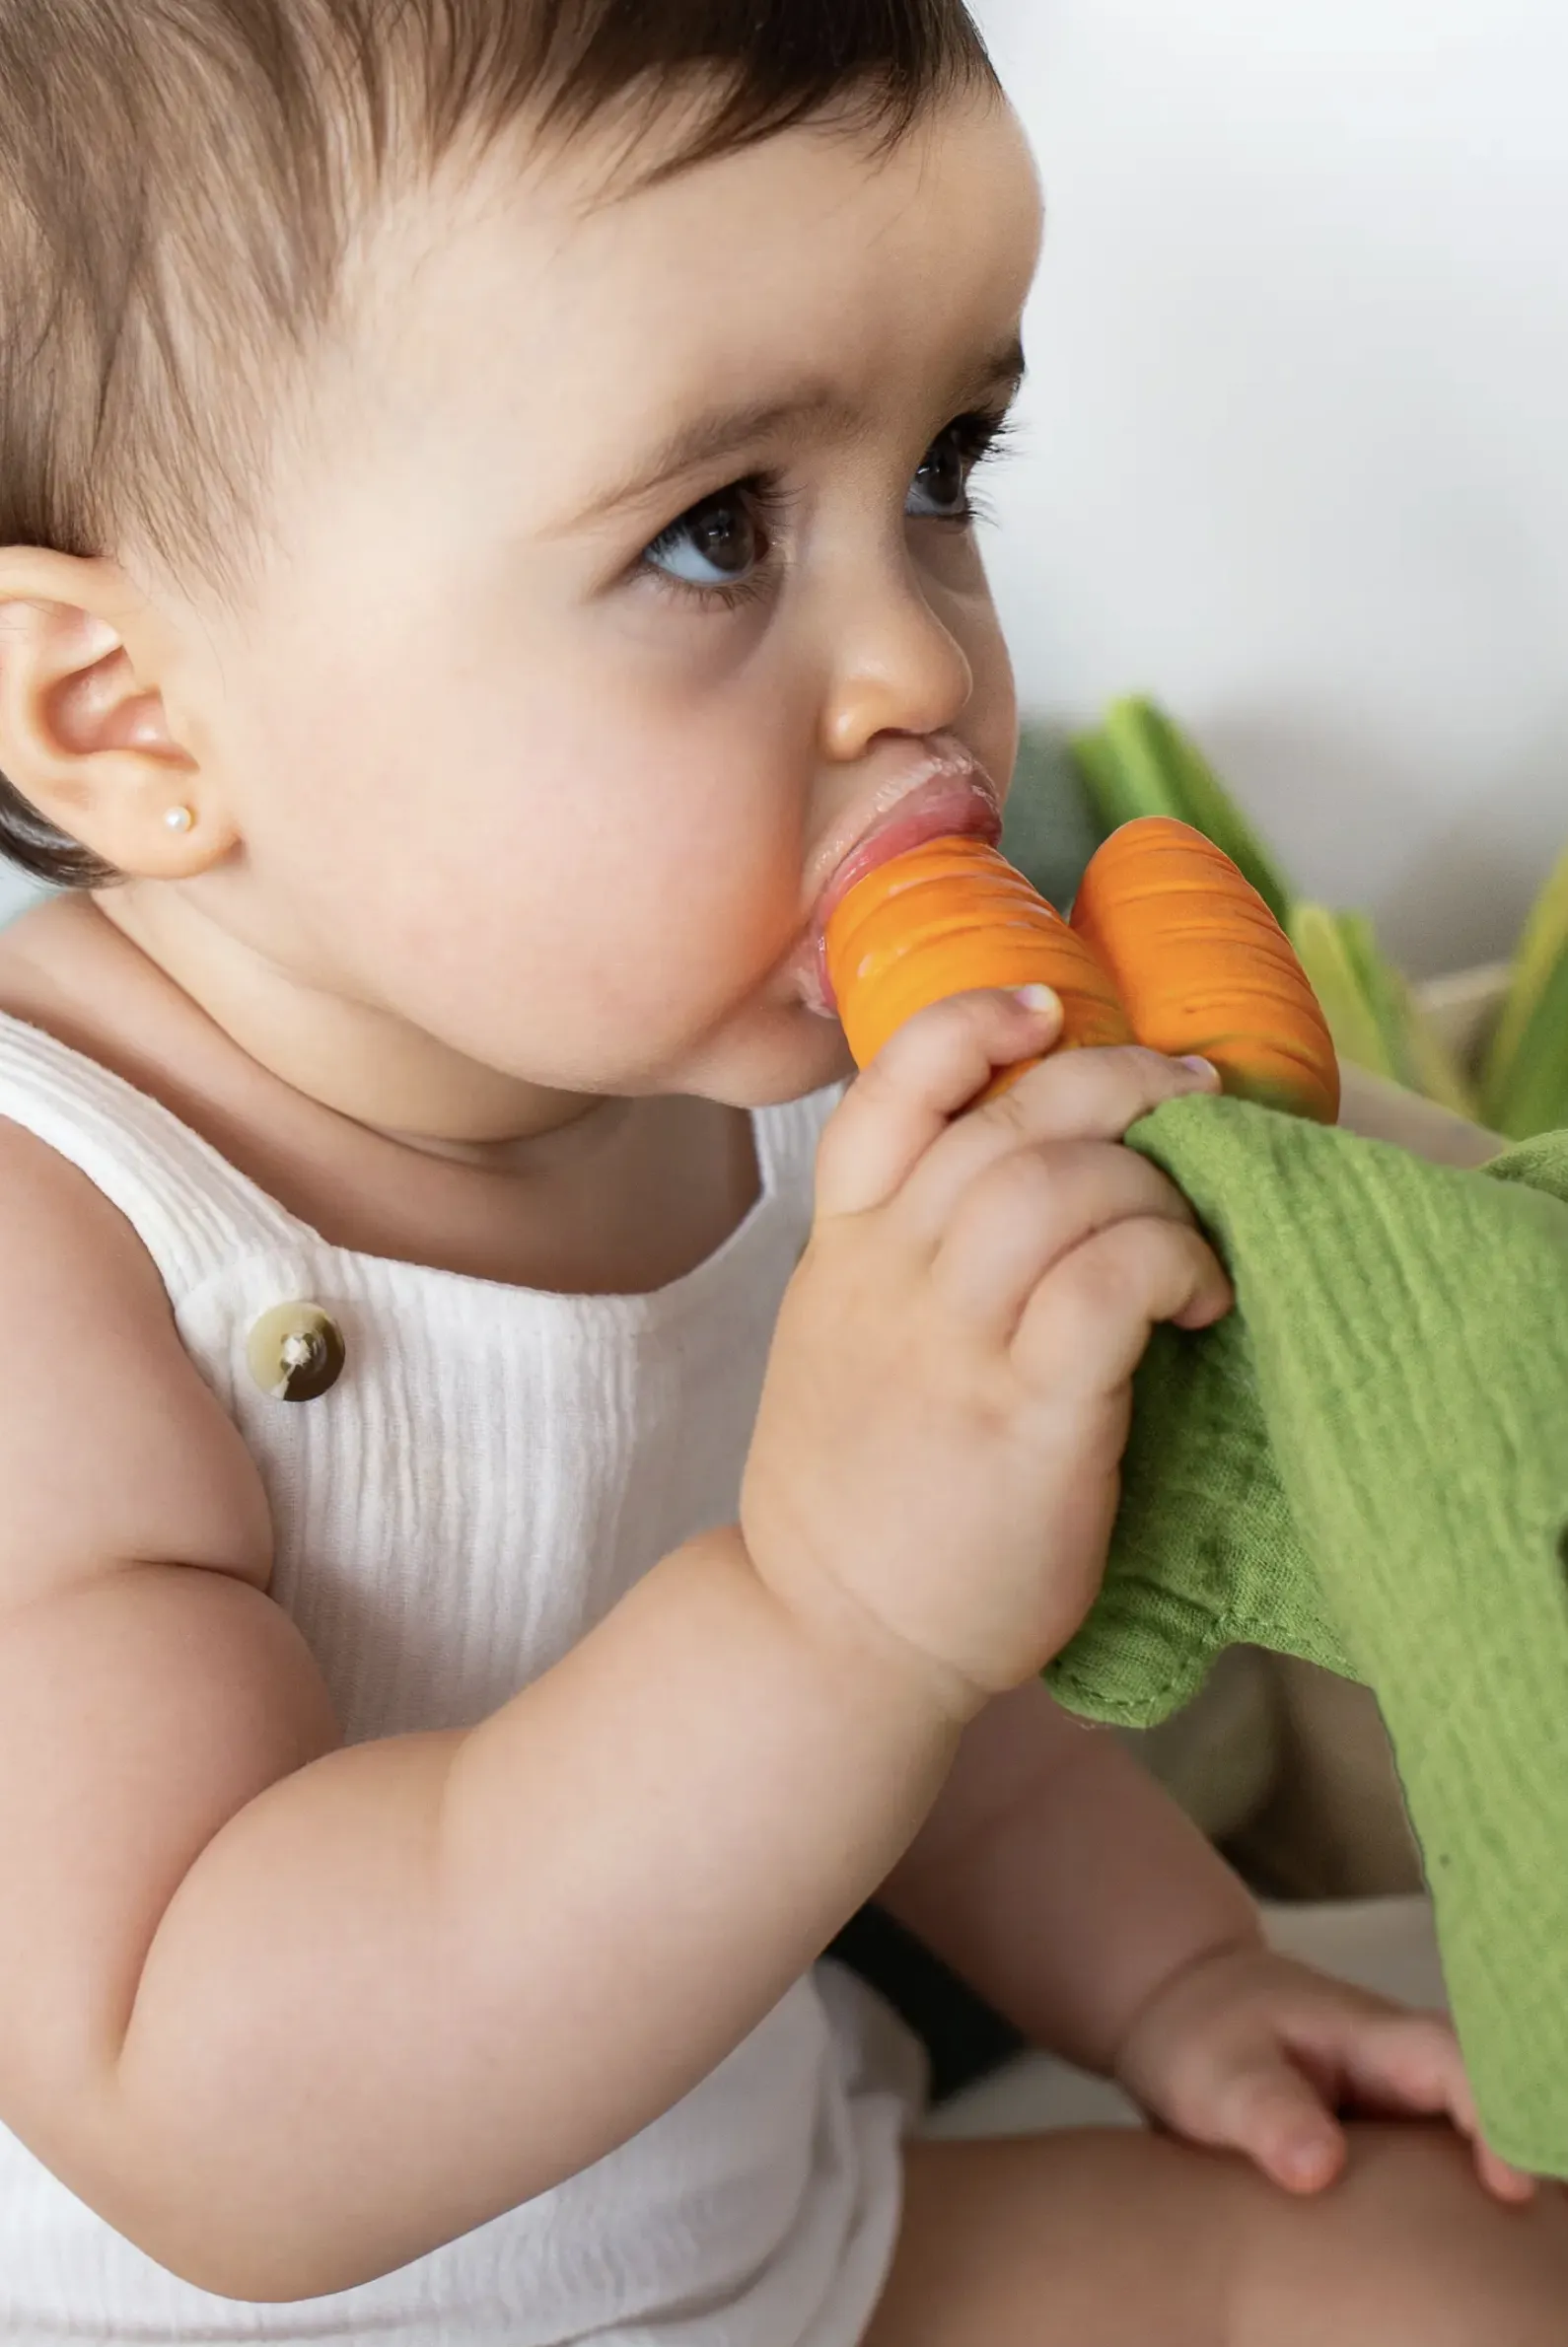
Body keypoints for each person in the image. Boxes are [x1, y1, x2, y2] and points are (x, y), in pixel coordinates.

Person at [0, 3, 1562, 2339]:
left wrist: (1176, 1979)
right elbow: (203, 2102)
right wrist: (835, 1612)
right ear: (133, 724)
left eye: (947, 468)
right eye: (717, 531)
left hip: (784, 2247)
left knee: (1466, 2260)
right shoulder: (68, 1246)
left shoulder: (762, 1080)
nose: (918, 669)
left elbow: (957, 1720)